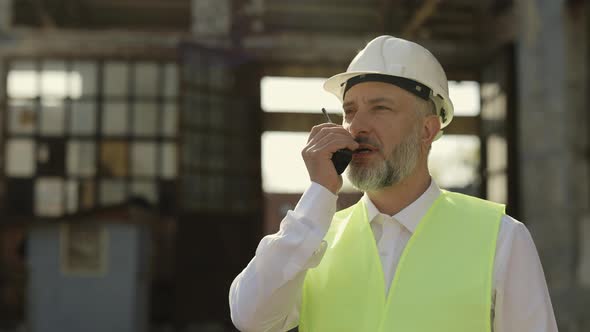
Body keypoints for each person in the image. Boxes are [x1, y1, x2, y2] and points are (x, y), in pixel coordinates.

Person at [229, 35, 558, 332]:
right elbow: (251, 317)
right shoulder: (312, 237)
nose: (357, 127)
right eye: (350, 110)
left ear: (427, 131)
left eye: (380, 109)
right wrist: (318, 193)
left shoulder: (502, 237)